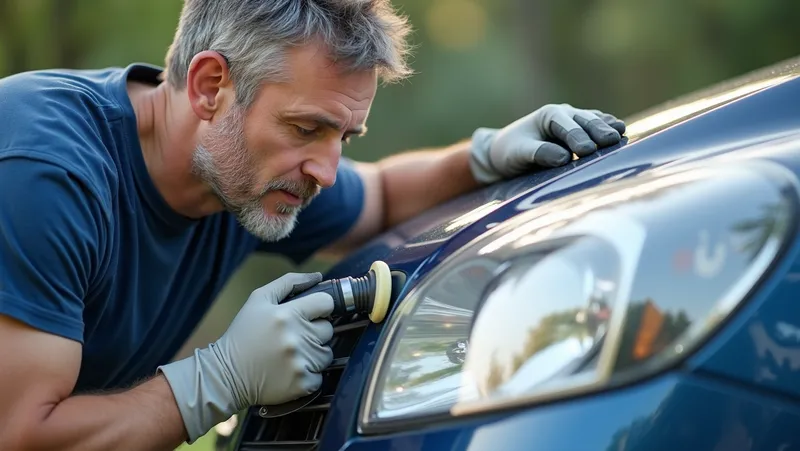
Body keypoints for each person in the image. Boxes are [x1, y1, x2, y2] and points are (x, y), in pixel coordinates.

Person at [0, 0, 626, 449]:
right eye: (307, 129)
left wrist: (483, 158)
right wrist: (217, 380)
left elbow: (377, 197)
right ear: (211, 85)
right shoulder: (45, 174)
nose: (327, 171)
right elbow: (20, 434)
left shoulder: (240, 166)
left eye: (344, 136)